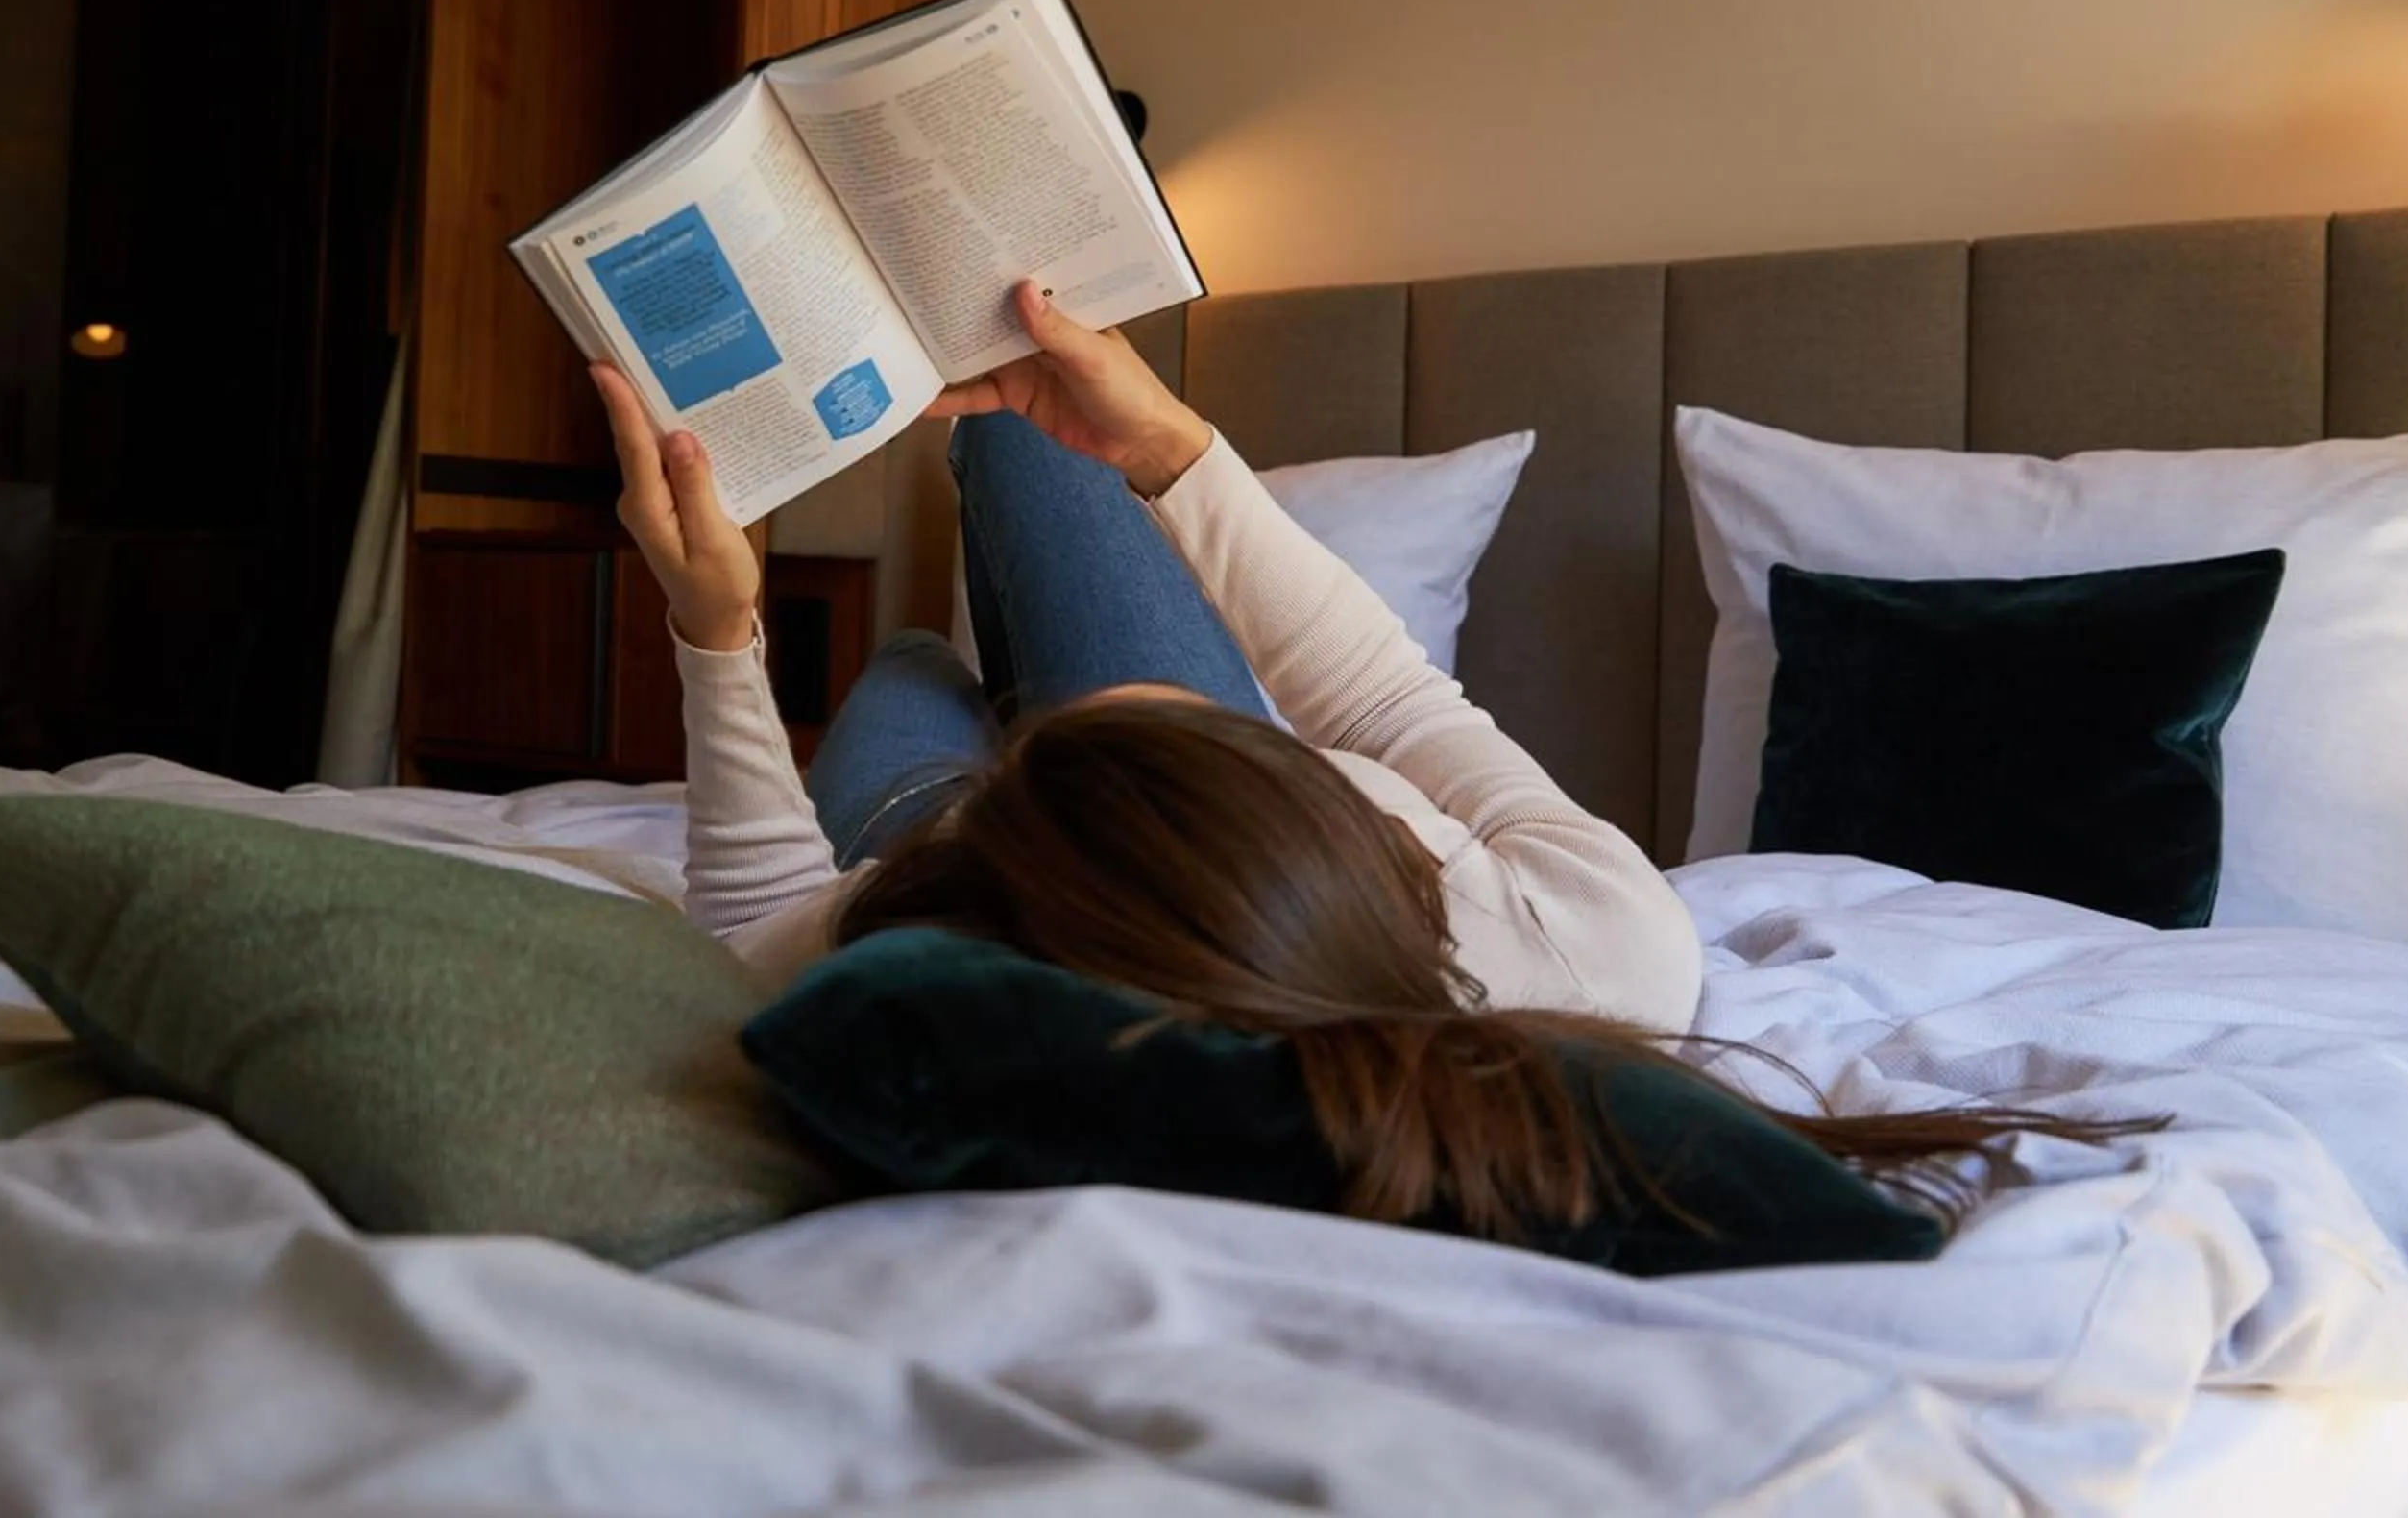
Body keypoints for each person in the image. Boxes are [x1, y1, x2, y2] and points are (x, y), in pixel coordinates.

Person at [592, 282, 2125, 1246]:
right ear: (1322, 811)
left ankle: (956, 697)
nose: (1150, 682)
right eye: (1198, 706)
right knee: (1013, 435)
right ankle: (1050, 679)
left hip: (940, 822)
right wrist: (1172, 447)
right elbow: (1389, 700)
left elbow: (756, 917)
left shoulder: (938, 931)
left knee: (917, 666)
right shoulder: (1592, 954)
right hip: (1118, 832)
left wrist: (716, 627)